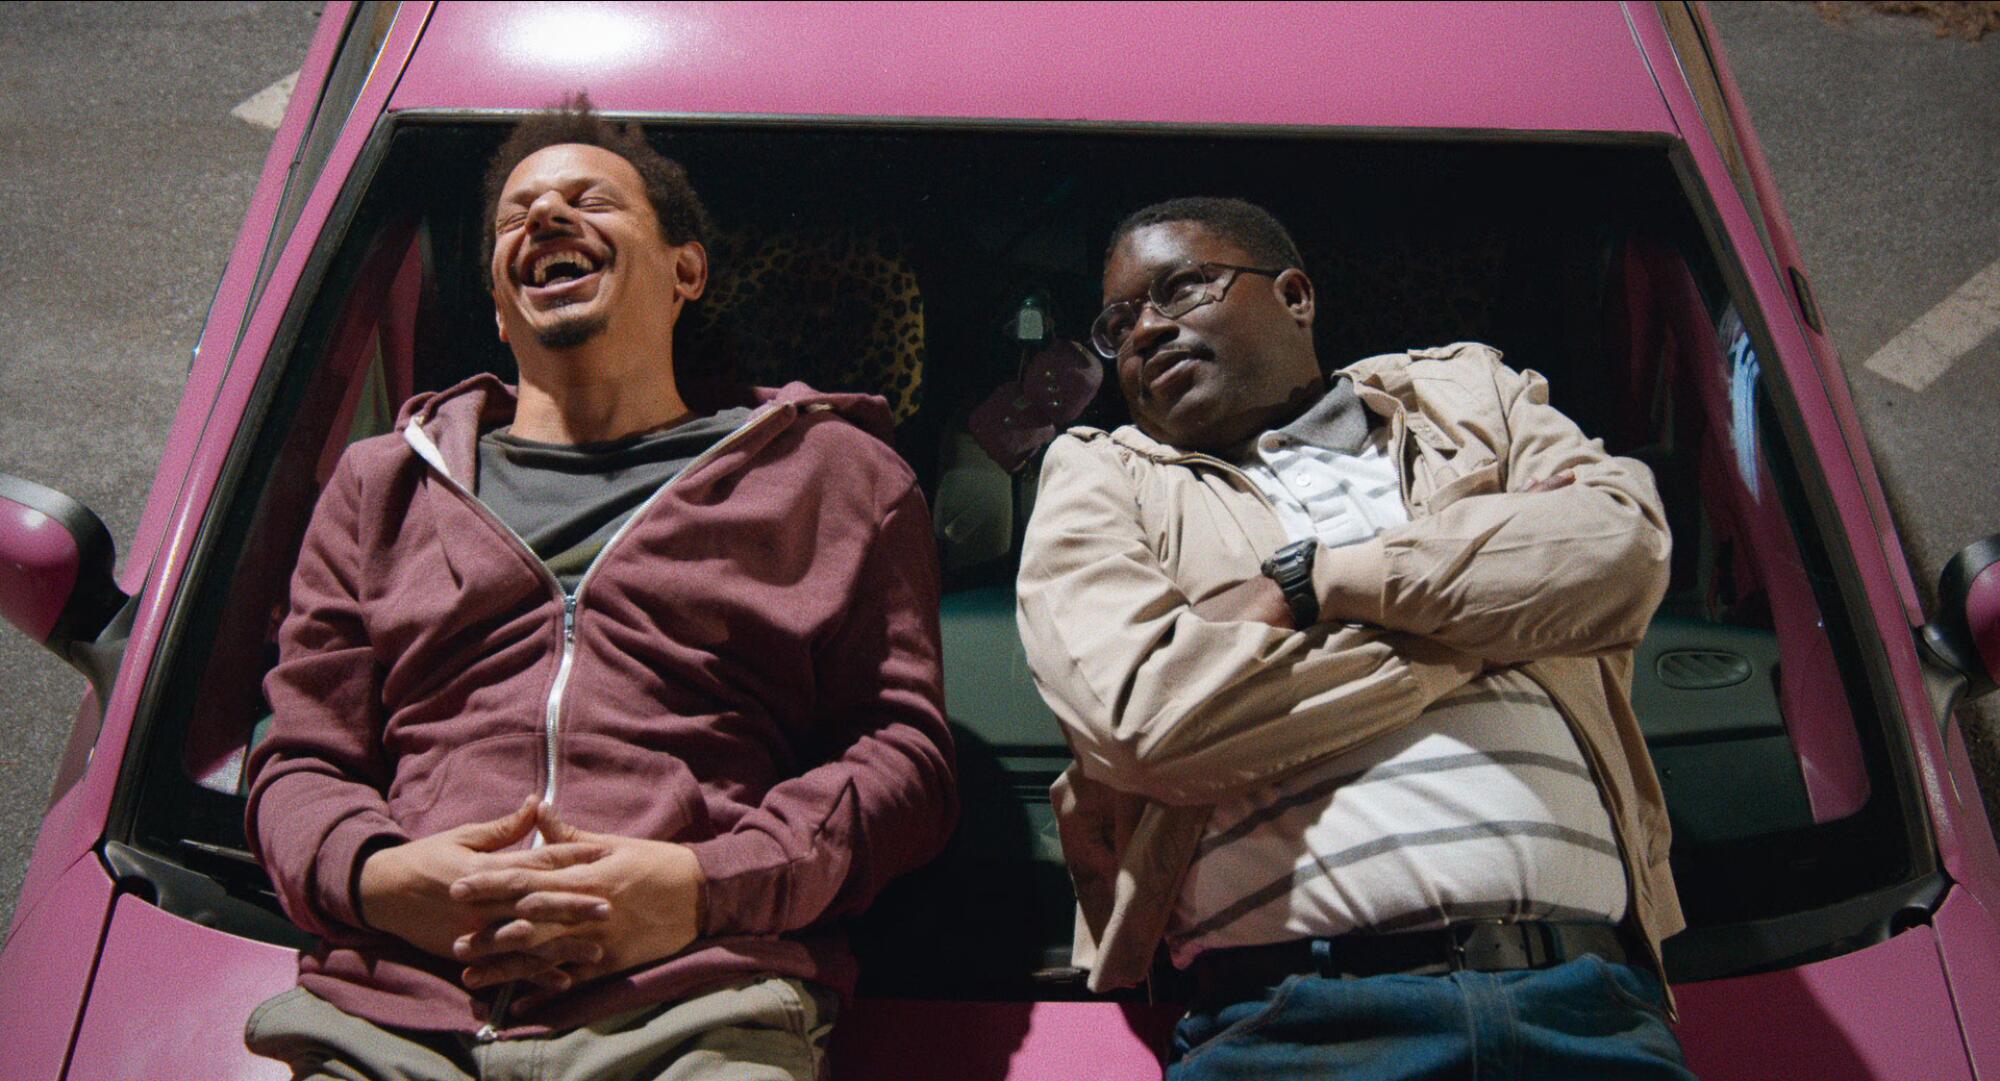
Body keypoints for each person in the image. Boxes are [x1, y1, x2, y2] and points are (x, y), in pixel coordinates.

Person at [243, 95, 956, 1080]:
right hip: (390, 1017)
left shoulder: (834, 478)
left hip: (694, 1005)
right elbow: (297, 760)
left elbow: (904, 760)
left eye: (589, 200)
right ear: (497, 301)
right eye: (515, 215)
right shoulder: (381, 483)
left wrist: (706, 886)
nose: (544, 218)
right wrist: (378, 877)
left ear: (685, 270)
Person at [1015, 196, 1695, 1078]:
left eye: (1180, 289)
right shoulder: (1104, 473)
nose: (1144, 329)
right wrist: (1497, 621)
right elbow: (1141, 716)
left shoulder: (1469, 394)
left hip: (1588, 1003)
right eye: (1119, 320)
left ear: (1295, 296)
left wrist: (1313, 584)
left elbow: (1621, 551)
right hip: (1298, 1028)